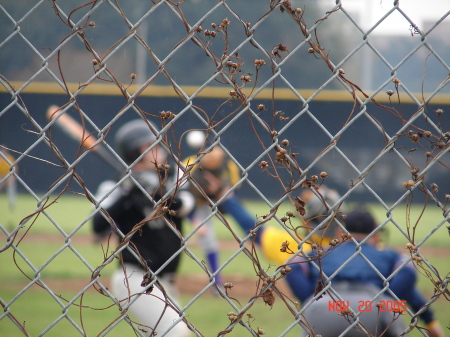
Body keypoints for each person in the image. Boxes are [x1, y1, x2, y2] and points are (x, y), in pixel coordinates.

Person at [218, 191, 444, 337]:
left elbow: (255, 230)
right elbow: (408, 279)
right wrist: (383, 301)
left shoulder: (301, 247)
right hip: (374, 306)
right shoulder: (378, 252)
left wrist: (227, 199)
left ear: (306, 220)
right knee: (389, 311)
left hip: (323, 307)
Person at [92, 119, 196, 337]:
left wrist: (158, 194)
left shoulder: (172, 182)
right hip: (134, 278)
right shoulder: (116, 186)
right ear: (136, 152)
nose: (159, 149)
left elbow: (186, 205)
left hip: (167, 281)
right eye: (151, 145)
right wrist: (126, 193)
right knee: (176, 333)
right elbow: (98, 225)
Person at [182, 131, 240, 289]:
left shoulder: (228, 165)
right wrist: (194, 220)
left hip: (213, 201)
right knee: (206, 236)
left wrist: (220, 191)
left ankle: (216, 284)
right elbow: (180, 199)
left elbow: (233, 190)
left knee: (209, 238)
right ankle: (217, 284)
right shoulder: (189, 165)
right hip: (194, 203)